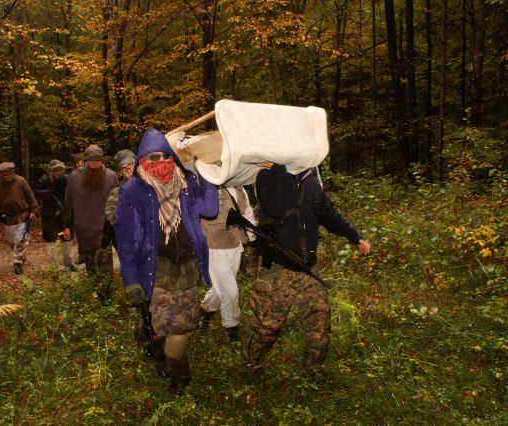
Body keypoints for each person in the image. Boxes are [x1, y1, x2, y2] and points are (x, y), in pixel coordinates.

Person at [114, 129, 218, 394]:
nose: (159, 163)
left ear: (172, 157)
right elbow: (126, 240)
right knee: (162, 326)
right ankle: (155, 346)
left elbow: (210, 209)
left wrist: (208, 174)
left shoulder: (186, 184)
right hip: (154, 268)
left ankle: (178, 377)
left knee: (181, 327)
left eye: (163, 157)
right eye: (151, 158)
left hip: (188, 267)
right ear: (141, 161)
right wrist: (131, 280)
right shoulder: (133, 191)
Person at [243, 163, 371, 375]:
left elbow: (329, 214)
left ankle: (314, 369)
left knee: (319, 318)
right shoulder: (266, 177)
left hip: (307, 268)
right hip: (278, 267)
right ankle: (252, 364)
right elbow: (275, 207)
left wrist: (355, 236)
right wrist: (278, 169)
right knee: (268, 324)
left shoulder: (311, 182)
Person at [199, 186, 256, 342]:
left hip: (235, 243)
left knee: (221, 287)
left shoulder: (238, 188)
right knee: (230, 290)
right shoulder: (204, 188)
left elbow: (247, 212)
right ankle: (232, 329)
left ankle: (204, 311)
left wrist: (253, 236)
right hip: (214, 246)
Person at [63, 145, 118, 301]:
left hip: (104, 231)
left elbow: (117, 204)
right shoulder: (74, 177)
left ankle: (107, 301)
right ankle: (96, 300)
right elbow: (69, 203)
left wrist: (117, 227)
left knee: (105, 268)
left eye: (98, 160)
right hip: (83, 230)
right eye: (92, 160)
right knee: (91, 268)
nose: (95, 163)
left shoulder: (110, 176)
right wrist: (67, 225)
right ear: (85, 161)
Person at [0, 162, 39, 275]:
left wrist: (34, 210)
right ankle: (20, 256)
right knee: (11, 241)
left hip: (22, 214)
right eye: (6, 174)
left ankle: (17, 262)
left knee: (21, 239)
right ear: (2, 174)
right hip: (7, 217)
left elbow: (30, 195)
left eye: (10, 174)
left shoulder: (21, 181)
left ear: (13, 172)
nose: (8, 176)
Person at [35, 159, 72, 268]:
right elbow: (37, 193)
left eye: (60, 170)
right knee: (51, 239)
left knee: (67, 238)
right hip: (49, 215)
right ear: (50, 171)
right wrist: (50, 192)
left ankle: (69, 262)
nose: (58, 172)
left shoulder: (67, 179)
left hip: (64, 214)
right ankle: (54, 265)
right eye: (55, 170)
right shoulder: (44, 180)